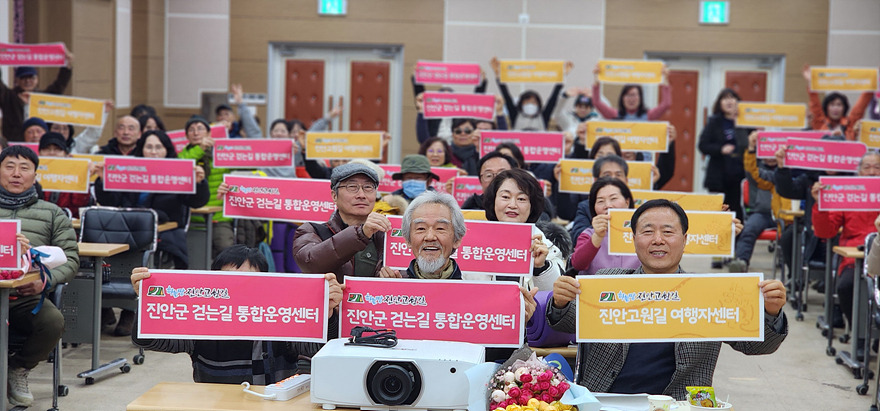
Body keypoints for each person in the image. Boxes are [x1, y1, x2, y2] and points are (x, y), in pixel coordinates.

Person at [548, 199, 788, 400]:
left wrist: (771, 312)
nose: (658, 240)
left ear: (685, 239)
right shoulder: (607, 281)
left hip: (682, 403)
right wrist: (560, 302)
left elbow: (756, 346)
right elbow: (565, 322)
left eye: (668, 232)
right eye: (648, 231)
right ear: (633, 239)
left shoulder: (709, 291)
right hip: (605, 400)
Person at [130, 244, 344, 384]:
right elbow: (148, 340)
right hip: (214, 405)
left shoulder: (281, 319)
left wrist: (328, 315)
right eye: (229, 280)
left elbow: (318, 348)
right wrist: (147, 301)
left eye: (249, 280)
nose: (238, 289)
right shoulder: (201, 320)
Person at [0, 145, 79, 406]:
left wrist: (44, 281)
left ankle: (18, 368)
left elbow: (71, 259)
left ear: (35, 175)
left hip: (26, 297)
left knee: (53, 322)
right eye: (9, 166)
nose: (16, 173)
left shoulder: (53, 213)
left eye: (24, 168)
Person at [812, 151, 880, 353]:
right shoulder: (848, 195)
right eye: (867, 167)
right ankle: (860, 334)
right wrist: (820, 205)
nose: (872, 172)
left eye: (877, 167)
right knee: (846, 286)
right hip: (854, 258)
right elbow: (826, 232)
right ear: (859, 172)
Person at [292, 162, 389, 282]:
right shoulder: (312, 231)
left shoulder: (388, 235)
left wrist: (396, 278)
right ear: (334, 196)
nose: (361, 195)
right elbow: (310, 263)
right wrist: (360, 234)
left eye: (368, 187)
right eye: (352, 187)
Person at [483, 168, 563, 291]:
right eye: (505, 197)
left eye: (521, 199)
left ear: (532, 206)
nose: (512, 205)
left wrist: (541, 267)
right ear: (493, 200)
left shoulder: (547, 248)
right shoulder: (473, 243)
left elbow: (556, 295)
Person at [178, 115, 233, 257]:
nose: (196, 133)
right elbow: (181, 165)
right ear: (186, 136)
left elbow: (249, 162)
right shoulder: (183, 155)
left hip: (219, 216)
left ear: (209, 133)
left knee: (225, 249)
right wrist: (200, 148)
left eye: (200, 129)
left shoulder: (222, 153)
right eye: (191, 130)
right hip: (192, 217)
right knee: (193, 254)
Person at [728, 131, 780, 272]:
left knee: (793, 234)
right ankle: (741, 261)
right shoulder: (756, 170)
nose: (771, 157)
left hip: (783, 214)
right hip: (760, 213)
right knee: (749, 229)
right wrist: (751, 147)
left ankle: (793, 270)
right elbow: (750, 170)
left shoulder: (787, 172)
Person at [698, 88, 752, 221]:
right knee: (718, 210)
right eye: (725, 98)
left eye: (732, 98)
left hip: (739, 174)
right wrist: (721, 149)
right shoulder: (714, 121)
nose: (729, 101)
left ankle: (736, 234)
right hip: (719, 174)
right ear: (720, 103)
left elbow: (751, 144)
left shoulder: (746, 122)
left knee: (736, 211)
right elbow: (703, 145)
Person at [570, 177, 639, 275]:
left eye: (614, 199)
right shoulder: (588, 234)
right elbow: (578, 264)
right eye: (600, 201)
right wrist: (597, 237)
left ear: (627, 202)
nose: (608, 205)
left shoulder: (642, 233)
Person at [0, 57, 73, 142]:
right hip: (14, 143)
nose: (27, 81)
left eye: (31, 78)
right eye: (23, 78)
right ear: (17, 80)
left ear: (37, 79)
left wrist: (66, 67)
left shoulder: (42, 97)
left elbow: (59, 86)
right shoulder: (8, 97)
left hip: (40, 143)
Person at [490, 57, 571, 131]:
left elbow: (553, 98)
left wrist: (563, 76)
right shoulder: (515, 115)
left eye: (533, 102)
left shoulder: (544, 116)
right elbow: (506, 96)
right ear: (521, 104)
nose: (530, 104)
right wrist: (498, 76)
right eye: (526, 102)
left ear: (538, 104)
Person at [802, 64, 873, 140]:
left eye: (839, 105)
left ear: (844, 108)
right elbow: (814, 104)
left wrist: (874, 81)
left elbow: (861, 106)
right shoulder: (820, 123)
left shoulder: (850, 123)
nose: (835, 108)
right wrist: (811, 81)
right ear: (826, 107)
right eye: (832, 105)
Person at [37, 132, 92, 218]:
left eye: (57, 149)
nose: (52, 153)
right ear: (39, 153)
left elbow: (80, 204)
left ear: (66, 154)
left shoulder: (75, 175)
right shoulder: (32, 174)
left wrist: (83, 178)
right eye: (47, 149)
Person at [591, 64, 671, 121]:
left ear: (640, 98)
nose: (631, 99)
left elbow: (666, 104)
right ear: (622, 98)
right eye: (628, 95)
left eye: (634, 95)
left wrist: (665, 79)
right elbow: (597, 103)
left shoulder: (648, 116)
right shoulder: (615, 115)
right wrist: (597, 80)